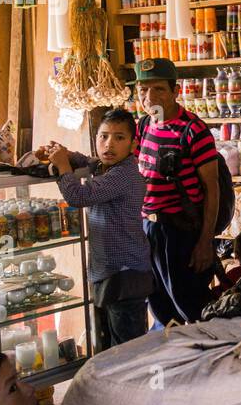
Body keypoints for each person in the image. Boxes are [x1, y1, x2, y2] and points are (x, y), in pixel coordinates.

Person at [35, 110, 153, 349]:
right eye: (103, 137)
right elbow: (88, 161)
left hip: (125, 274)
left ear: (133, 144)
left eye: (119, 138)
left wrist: (62, 167)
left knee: (127, 351)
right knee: (107, 346)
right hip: (109, 271)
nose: (109, 144)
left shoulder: (123, 175)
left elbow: (78, 196)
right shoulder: (105, 167)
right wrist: (66, 154)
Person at [131, 57, 221, 326]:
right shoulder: (144, 126)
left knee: (190, 305)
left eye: (158, 89)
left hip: (181, 232)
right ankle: (174, 359)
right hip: (149, 229)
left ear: (175, 91)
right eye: (143, 90)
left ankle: (210, 356)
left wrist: (205, 242)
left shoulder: (194, 131)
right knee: (159, 304)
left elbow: (212, 190)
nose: (149, 97)